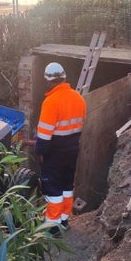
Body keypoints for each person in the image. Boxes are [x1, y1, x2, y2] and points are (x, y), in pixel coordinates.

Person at [35, 62, 86, 235]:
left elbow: (44, 134)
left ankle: (52, 227)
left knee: (53, 189)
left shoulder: (51, 102)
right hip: (72, 150)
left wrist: (40, 152)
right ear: (64, 77)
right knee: (66, 186)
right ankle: (64, 221)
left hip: (54, 153)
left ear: (48, 81)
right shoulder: (78, 98)